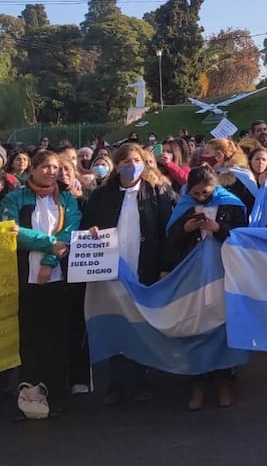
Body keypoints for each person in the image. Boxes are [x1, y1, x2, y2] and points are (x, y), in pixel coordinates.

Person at [82, 143, 176, 404]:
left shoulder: (158, 192)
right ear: (117, 164)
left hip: (144, 267)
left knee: (140, 324)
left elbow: (168, 232)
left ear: (144, 163)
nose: (131, 165)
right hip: (111, 269)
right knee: (115, 322)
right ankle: (116, 381)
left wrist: (165, 266)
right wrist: (92, 232)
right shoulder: (102, 194)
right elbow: (86, 224)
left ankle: (141, 380)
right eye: (125, 161)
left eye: (136, 160)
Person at [1, 150, 82, 420]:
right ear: (32, 169)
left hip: (57, 281)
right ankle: (29, 398)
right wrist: (48, 243)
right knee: (29, 341)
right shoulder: (15, 198)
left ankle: (56, 395)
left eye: (55, 167)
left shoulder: (67, 199)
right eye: (45, 166)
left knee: (55, 340)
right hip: (24, 281)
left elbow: (69, 233)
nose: (51, 171)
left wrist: (49, 261)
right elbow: (13, 231)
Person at [165, 165, 248, 410]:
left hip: (224, 271)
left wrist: (219, 230)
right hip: (194, 275)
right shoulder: (184, 205)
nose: (201, 197)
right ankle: (197, 380)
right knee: (197, 323)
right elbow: (171, 240)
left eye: (205, 192)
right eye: (196, 193)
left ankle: (224, 378)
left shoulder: (231, 204)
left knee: (222, 322)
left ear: (216, 186)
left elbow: (243, 237)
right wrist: (185, 230)